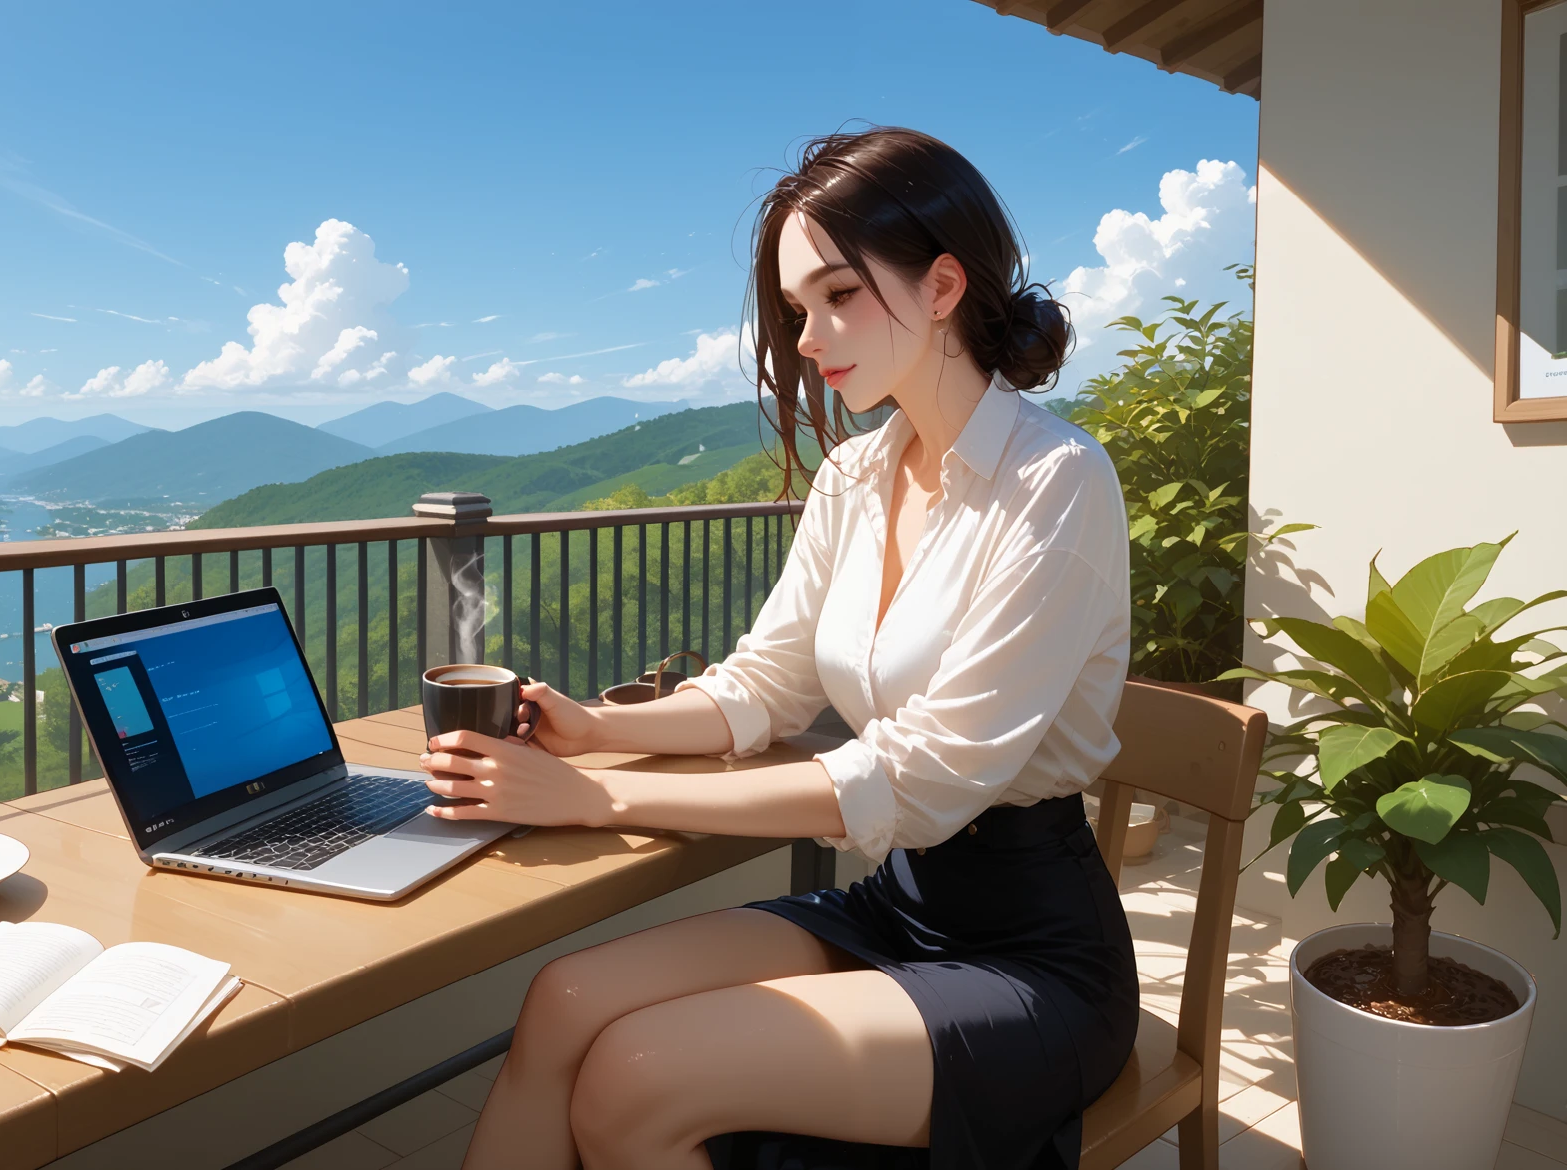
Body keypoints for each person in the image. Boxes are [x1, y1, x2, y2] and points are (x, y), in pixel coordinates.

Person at [418, 126, 1137, 1170]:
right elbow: (763, 687)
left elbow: (919, 779)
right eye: (800, 308)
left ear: (941, 286)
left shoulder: (1056, 483)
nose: (806, 337)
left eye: (838, 296)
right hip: (897, 903)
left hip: (1031, 956)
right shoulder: (855, 477)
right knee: (564, 1000)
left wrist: (604, 797)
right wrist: (595, 730)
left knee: (637, 1075)